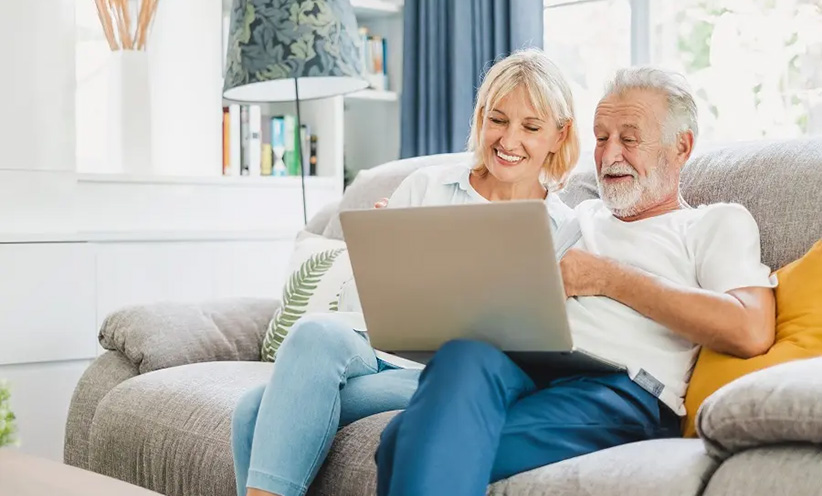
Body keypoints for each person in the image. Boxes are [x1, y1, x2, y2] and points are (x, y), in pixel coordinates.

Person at [374, 67, 778, 496]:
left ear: (681, 147)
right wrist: (405, 250)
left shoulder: (713, 223)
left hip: (622, 389)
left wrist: (608, 278)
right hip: (530, 366)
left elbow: (750, 329)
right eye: (602, 138)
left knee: (402, 442)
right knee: (463, 354)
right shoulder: (572, 218)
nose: (609, 155)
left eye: (629, 138)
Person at [231, 48, 581, 496]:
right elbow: (370, 307)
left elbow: (545, 341)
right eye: (498, 120)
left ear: (558, 135)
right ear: (480, 118)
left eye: (530, 127)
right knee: (314, 332)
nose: (509, 140)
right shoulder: (428, 185)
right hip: (379, 349)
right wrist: (382, 257)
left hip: (447, 375)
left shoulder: (562, 229)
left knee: (253, 411)